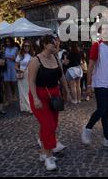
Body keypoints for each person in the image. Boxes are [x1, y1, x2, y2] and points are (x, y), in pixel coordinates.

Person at [28, 35, 69, 171]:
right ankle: (49, 157)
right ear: (45, 44)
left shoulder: (56, 58)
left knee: (51, 124)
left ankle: (43, 153)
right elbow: (31, 81)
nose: (56, 45)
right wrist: (35, 98)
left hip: (54, 96)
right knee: (49, 125)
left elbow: (61, 76)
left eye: (56, 42)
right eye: (53, 43)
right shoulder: (36, 60)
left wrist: (66, 91)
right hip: (40, 96)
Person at [81, 24, 108, 149]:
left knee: (107, 112)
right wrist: (89, 85)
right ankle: (87, 128)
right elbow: (90, 67)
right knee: (102, 109)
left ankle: (107, 138)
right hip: (99, 83)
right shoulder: (96, 46)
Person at [15, 40, 34, 113]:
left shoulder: (32, 55)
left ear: (30, 47)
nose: (27, 47)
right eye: (25, 46)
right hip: (22, 73)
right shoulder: (20, 55)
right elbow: (15, 66)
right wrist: (20, 70)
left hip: (30, 73)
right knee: (22, 91)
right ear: (23, 46)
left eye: (28, 46)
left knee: (29, 90)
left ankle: (29, 107)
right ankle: (25, 107)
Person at [4, 37, 19, 104]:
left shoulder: (16, 48)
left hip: (13, 67)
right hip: (6, 66)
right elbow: (3, 57)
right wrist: (9, 57)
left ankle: (13, 94)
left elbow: (16, 59)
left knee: (13, 83)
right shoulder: (5, 48)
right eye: (6, 42)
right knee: (6, 83)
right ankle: (7, 99)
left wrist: (10, 57)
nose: (8, 43)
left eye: (9, 41)